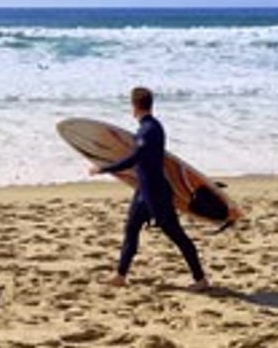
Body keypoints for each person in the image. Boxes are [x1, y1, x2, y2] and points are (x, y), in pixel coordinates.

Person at [89, 86, 209, 292]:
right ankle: (120, 275)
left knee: (177, 235)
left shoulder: (149, 130)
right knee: (131, 230)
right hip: (143, 192)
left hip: (157, 195)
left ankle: (200, 279)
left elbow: (136, 158)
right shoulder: (150, 127)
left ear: (135, 106)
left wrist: (105, 168)